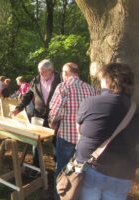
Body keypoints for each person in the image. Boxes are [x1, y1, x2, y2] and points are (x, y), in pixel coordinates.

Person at [75, 63, 139, 200]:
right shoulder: (136, 109)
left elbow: (79, 130)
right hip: (122, 172)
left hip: (92, 169)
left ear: (109, 80)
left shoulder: (90, 103)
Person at [48, 62, 96, 199]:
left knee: (62, 169)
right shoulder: (91, 89)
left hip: (66, 136)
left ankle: (60, 196)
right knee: (81, 171)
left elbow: (54, 110)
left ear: (65, 73)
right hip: (85, 139)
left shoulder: (63, 86)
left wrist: (52, 123)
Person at [10, 59, 61, 169]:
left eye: (43, 71)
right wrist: (18, 109)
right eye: (39, 71)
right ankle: (36, 167)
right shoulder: (36, 80)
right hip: (38, 115)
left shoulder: (60, 79)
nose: (40, 74)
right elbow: (27, 96)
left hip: (56, 117)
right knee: (36, 141)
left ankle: (58, 167)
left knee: (56, 142)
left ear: (51, 70)